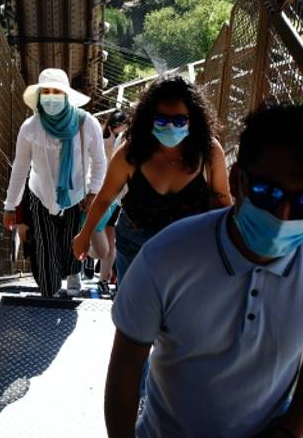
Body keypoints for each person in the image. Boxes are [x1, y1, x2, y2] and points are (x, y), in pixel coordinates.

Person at [103, 103, 303, 438]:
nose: (283, 215)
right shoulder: (166, 257)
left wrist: (291, 429)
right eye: (267, 194)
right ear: (238, 179)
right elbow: (125, 367)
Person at [71, 77, 230, 284]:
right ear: (149, 119)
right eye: (162, 120)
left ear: (193, 120)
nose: (171, 127)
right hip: (135, 244)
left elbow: (221, 200)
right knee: (135, 310)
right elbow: (104, 198)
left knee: (180, 310)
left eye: (180, 121)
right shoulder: (130, 152)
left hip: (189, 244)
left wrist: (230, 244)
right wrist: (84, 235)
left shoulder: (209, 151)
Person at [4, 69, 107, 298]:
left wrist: (93, 192)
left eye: (56, 92)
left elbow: (100, 161)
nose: (51, 96)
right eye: (46, 92)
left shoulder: (86, 123)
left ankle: (73, 275)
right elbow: (20, 169)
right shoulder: (30, 127)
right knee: (44, 243)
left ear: (66, 95)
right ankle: (49, 291)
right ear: (39, 96)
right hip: (39, 194)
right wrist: (10, 206)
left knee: (72, 239)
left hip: (76, 194)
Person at [85, 110, 130, 290]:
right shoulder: (101, 142)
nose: (123, 129)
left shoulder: (127, 144)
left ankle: (103, 279)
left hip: (117, 199)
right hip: (101, 195)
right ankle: (89, 257)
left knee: (110, 243)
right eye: (121, 125)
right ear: (112, 126)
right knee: (95, 236)